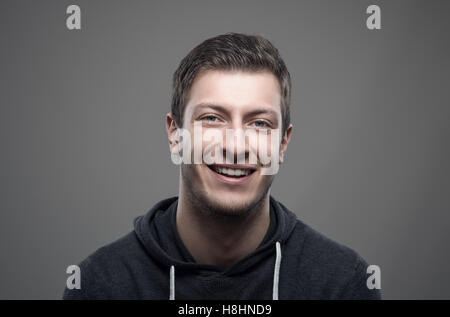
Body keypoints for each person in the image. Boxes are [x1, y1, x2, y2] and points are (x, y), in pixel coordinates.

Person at [63, 33, 381, 300]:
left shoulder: (344, 285)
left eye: (259, 123)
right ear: (175, 135)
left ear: (283, 144)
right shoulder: (98, 286)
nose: (235, 146)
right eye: (212, 118)